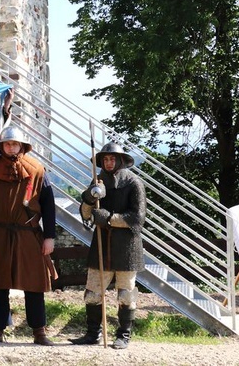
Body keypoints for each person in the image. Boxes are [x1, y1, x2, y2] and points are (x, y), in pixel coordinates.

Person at [0, 126, 57, 346]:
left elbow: (49, 206)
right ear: (1, 146)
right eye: (7, 144)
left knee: (34, 284)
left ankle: (39, 331)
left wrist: (50, 237)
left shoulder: (37, 170)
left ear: (22, 146)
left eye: (15, 144)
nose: (11, 147)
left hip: (28, 234)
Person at [69, 142, 146, 350]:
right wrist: (90, 195)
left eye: (112, 159)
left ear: (120, 160)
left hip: (127, 246)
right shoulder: (98, 182)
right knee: (93, 292)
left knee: (126, 295)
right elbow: (85, 214)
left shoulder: (134, 183)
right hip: (102, 244)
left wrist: (110, 218)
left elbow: (137, 218)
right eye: (105, 159)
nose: (109, 162)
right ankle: (93, 333)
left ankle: (124, 335)